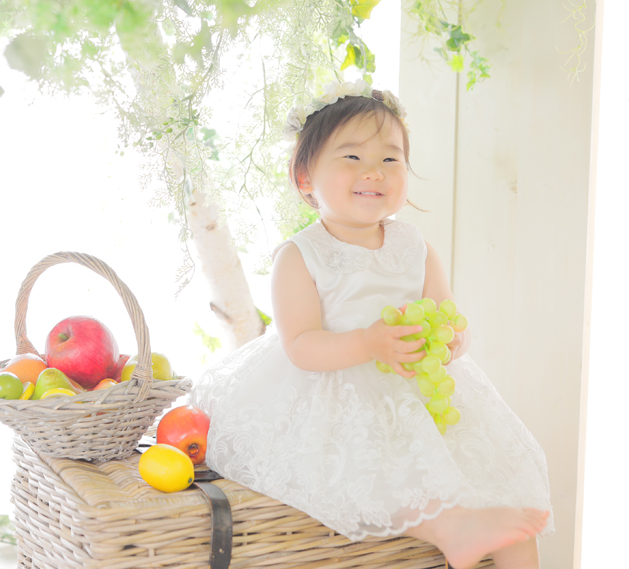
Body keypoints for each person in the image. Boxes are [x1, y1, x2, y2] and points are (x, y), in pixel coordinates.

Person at [188, 80, 554, 569]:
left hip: (420, 392)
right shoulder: (300, 255)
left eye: (390, 158)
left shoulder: (415, 247)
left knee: (507, 500)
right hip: (339, 392)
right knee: (385, 471)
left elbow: (446, 314)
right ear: (304, 176)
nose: (374, 171)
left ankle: (501, 533)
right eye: (352, 157)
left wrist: (450, 342)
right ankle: (454, 529)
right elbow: (300, 344)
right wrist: (367, 343)